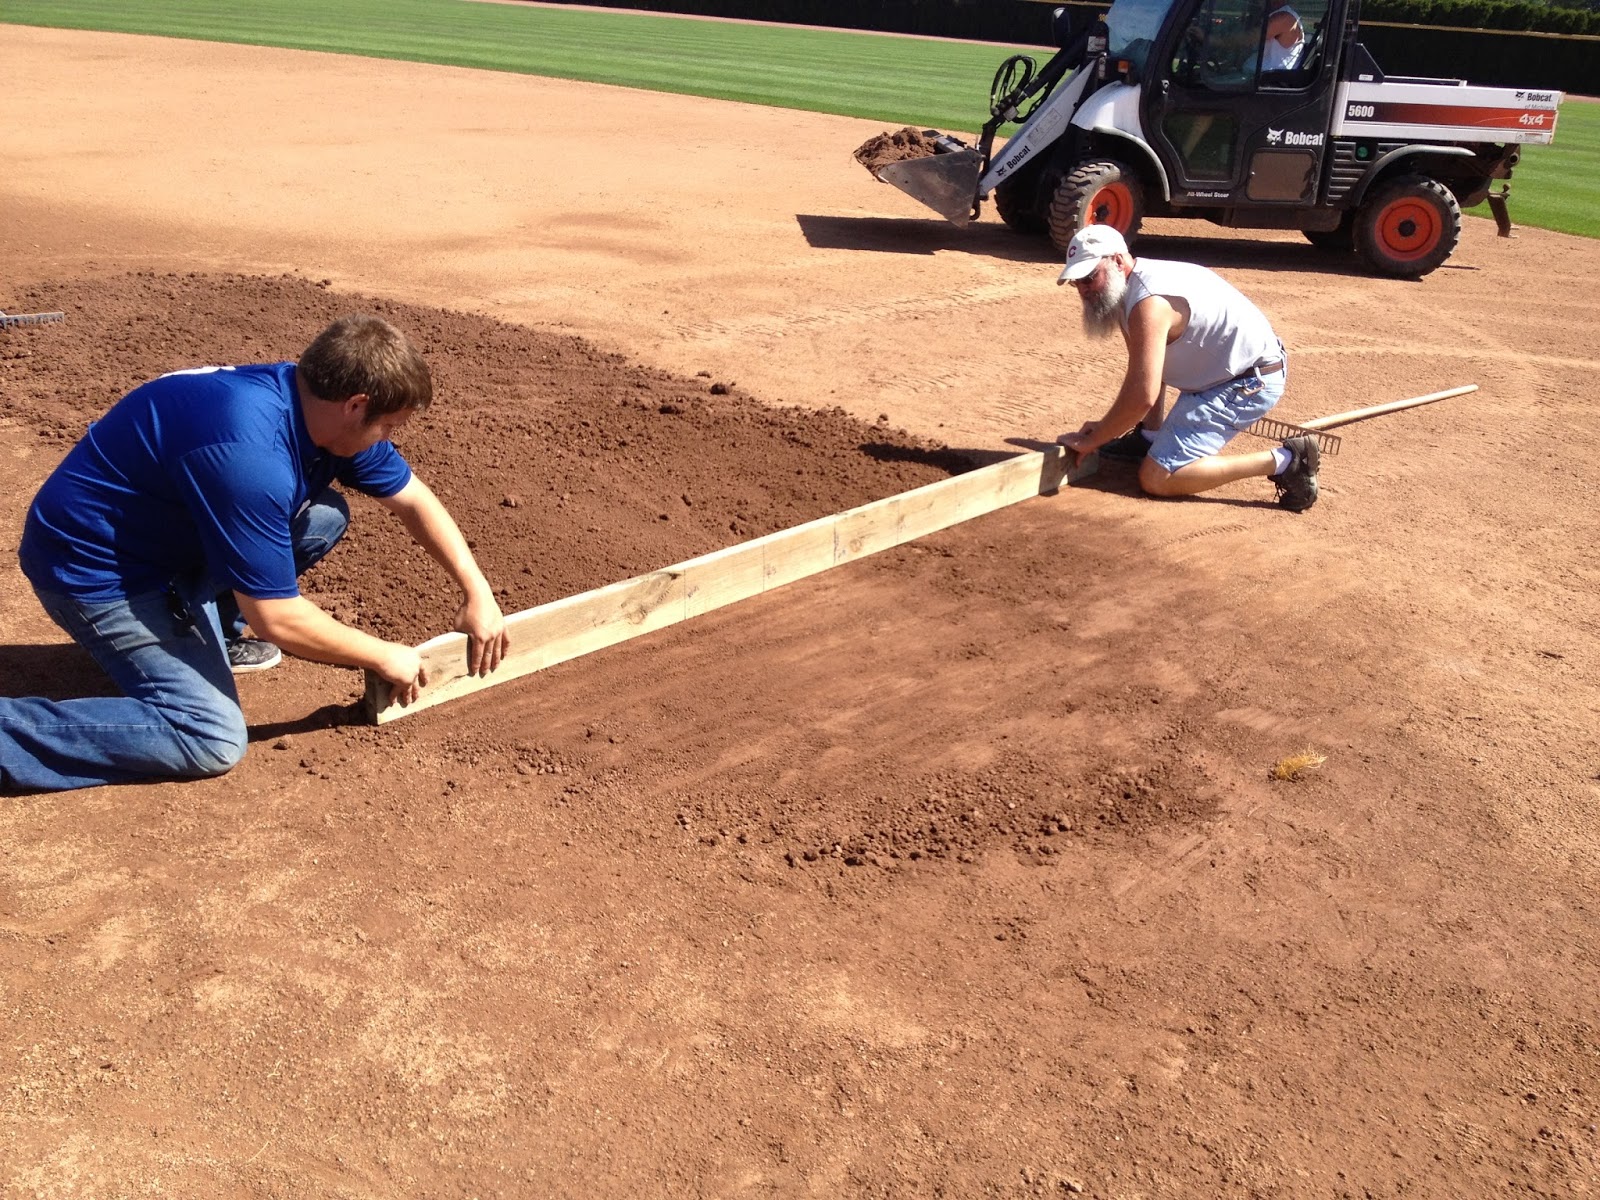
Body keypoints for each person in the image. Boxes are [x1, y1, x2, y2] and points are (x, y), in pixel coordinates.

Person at [1, 313, 509, 793]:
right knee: (207, 738)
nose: (389, 438)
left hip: (162, 537)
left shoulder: (312, 407)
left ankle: (214, 629)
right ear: (356, 404)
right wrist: (383, 654)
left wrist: (477, 591)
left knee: (322, 517)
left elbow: (413, 498)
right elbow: (276, 619)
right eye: (390, 425)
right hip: (96, 571)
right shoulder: (250, 453)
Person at [1054, 225, 1320, 511]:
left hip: (1249, 380)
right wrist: (1119, 427)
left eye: (1089, 277)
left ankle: (1288, 461)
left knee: (1157, 478)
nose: (1083, 289)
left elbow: (1141, 395)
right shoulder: (1127, 289)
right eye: (1076, 282)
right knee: (1149, 425)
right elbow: (1144, 370)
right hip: (1218, 375)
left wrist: (1096, 438)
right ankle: (1149, 437)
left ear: (1118, 261)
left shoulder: (1149, 303)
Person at [1262, 2, 1306, 72]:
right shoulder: (1272, 14)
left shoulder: (1283, 17)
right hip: (1258, 72)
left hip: (1272, 76)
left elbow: (1248, 39)